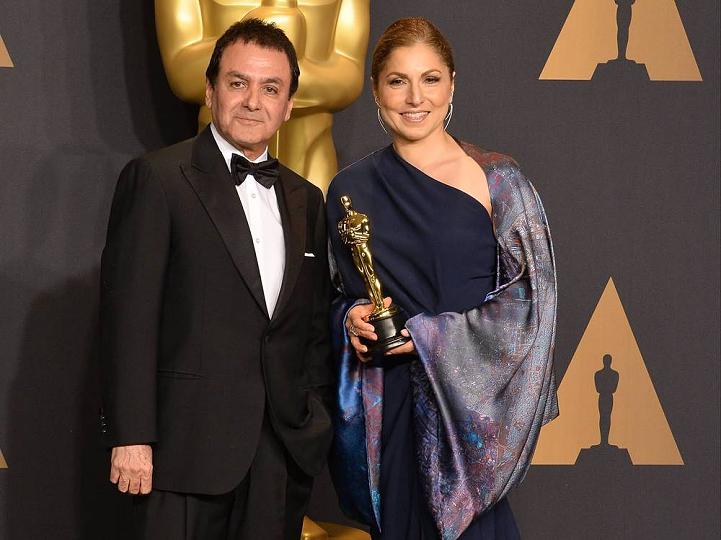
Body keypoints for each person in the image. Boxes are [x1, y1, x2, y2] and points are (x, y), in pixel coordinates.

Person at [99, 19, 332, 540]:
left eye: (270, 88)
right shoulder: (158, 178)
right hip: (182, 453)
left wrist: (312, 419)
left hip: (279, 457)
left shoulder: (307, 199)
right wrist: (131, 436)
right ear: (210, 90)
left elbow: (311, 326)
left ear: (289, 105)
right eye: (237, 83)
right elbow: (128, 319)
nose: (253, 101)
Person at [326, 17, 558, 540]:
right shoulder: (348, 191)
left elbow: (531, 307)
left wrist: (430, 337)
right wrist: (349, 318)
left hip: (464, 419)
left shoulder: (498, 181)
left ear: (452, 84)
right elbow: (332, 296)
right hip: (386, 408)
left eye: (430, 79)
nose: (415, 98)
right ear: (375, 89)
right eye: (397, 80)